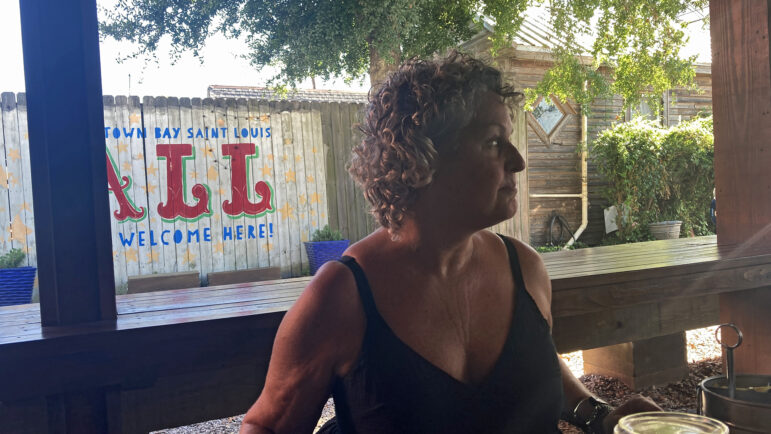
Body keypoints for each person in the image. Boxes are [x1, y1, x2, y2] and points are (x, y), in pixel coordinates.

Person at [240, 52, 660, 434]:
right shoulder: (342, 297)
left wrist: (600, 415)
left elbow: (532, 363)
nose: (518, 160)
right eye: (494, 141)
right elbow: (267, 427)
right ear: (423, 158)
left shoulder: (526, 269)